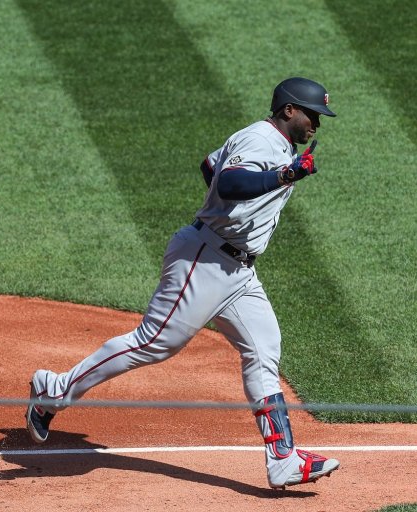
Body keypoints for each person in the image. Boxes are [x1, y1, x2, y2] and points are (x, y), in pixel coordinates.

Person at [25, 77, 340, 489]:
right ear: (288, 111)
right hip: (206, 259)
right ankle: (54, 389)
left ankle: (282, 459)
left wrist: (261, 184)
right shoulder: (263, 141)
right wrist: (282, 175)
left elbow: (210, 166)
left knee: (264, 350)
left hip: (239, 272)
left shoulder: (271, 143)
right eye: (312, 114)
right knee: (153, 342)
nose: (317, 122)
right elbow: (227, 182)